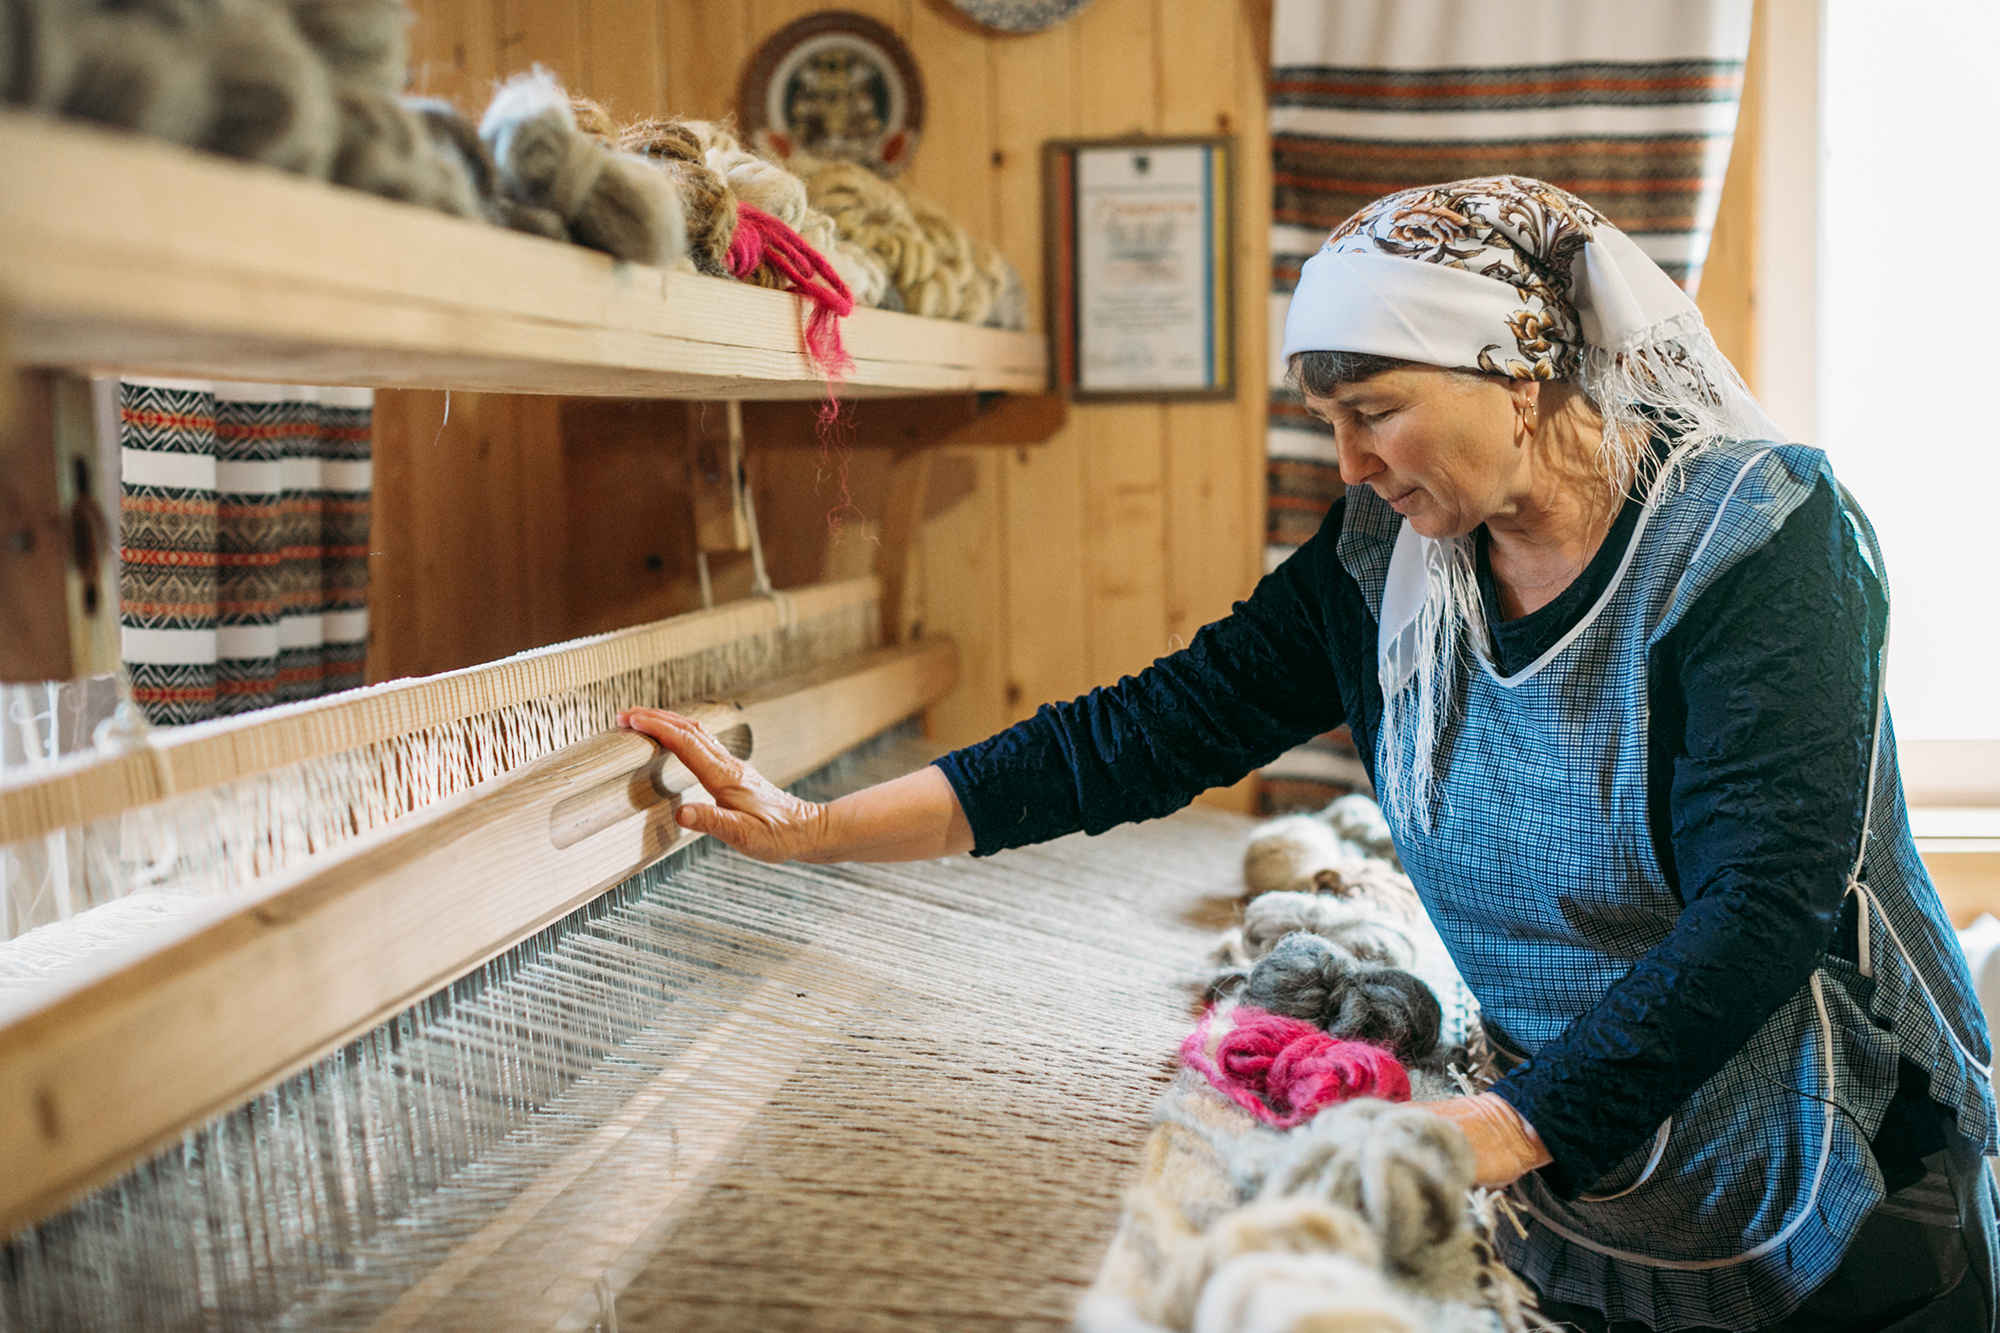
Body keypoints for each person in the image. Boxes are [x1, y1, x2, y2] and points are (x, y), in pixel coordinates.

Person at [620, 176, 1999, 1332]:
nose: (1347, 462)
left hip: (1830, 1187)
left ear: (1518, 370)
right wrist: (814, 827)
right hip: (1577, 1179)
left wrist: (1497, 1128)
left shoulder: (1759, 542)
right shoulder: (1388, 558)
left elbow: (1763, 907)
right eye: (1328, 422)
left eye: (1375, 410)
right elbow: (1142, 733)